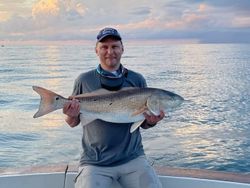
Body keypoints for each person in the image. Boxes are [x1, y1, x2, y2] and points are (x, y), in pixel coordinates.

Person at [63, 27, 165, 188]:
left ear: (122, 49)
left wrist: (152, 121)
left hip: (133, 158)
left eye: (115, 46)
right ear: (96, 50)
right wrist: (71, 114)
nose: (110, 51)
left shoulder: (137, 79)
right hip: (95, 163)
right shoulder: (84, 80)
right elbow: (72, 122)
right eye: (104, 47)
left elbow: (143, 123)